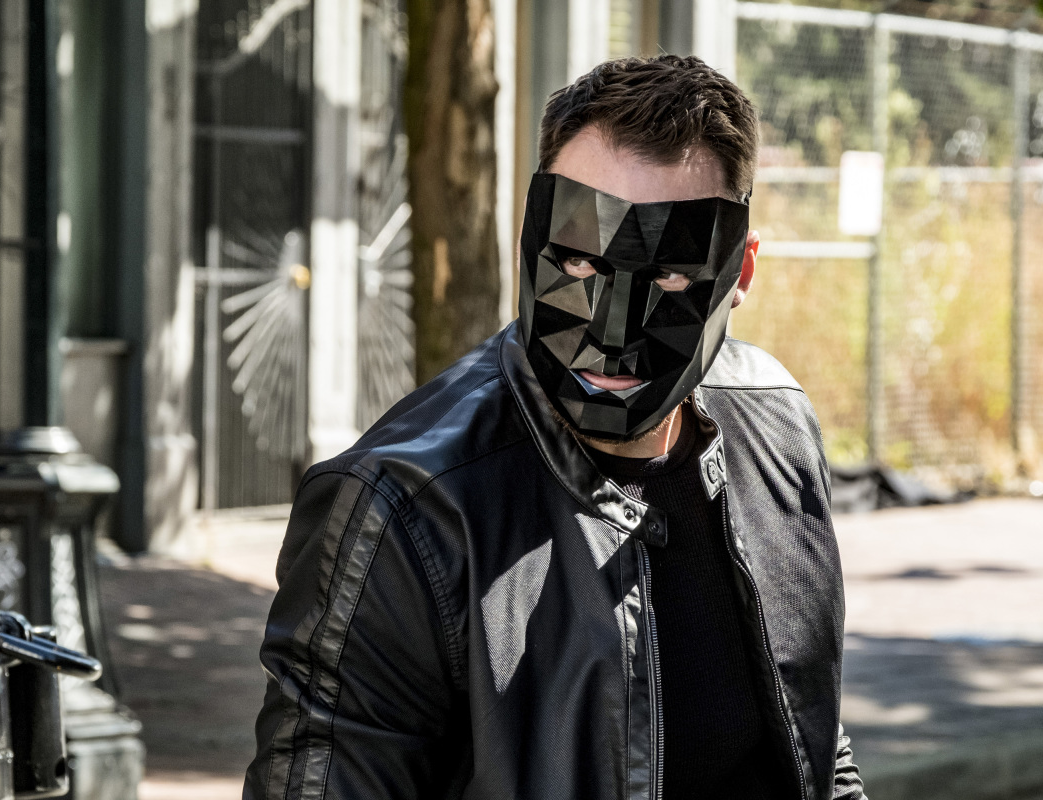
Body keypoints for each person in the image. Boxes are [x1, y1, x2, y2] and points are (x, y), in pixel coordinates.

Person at [243, 55, 866, 800]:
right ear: (530, 240)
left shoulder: (776, 423)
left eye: (669, 275)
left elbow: (814, 747)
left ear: (741, 274)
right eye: (576, 263)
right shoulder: (401, 513)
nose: (612, 334)